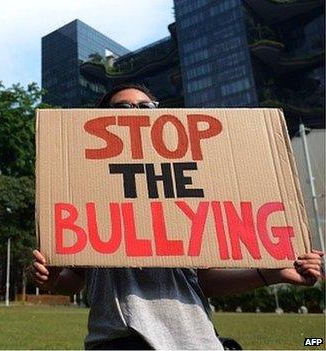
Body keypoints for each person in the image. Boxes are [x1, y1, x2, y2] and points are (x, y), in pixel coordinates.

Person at [30, 83, 324, 350]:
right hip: (122, 341)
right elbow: (74, 281)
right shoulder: (87, 190)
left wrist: (271, 273)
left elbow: (203, 281)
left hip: (199, 341)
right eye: (122, 108)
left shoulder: (189, 193)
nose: (136, 114)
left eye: (146, 107)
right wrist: (51, 274)